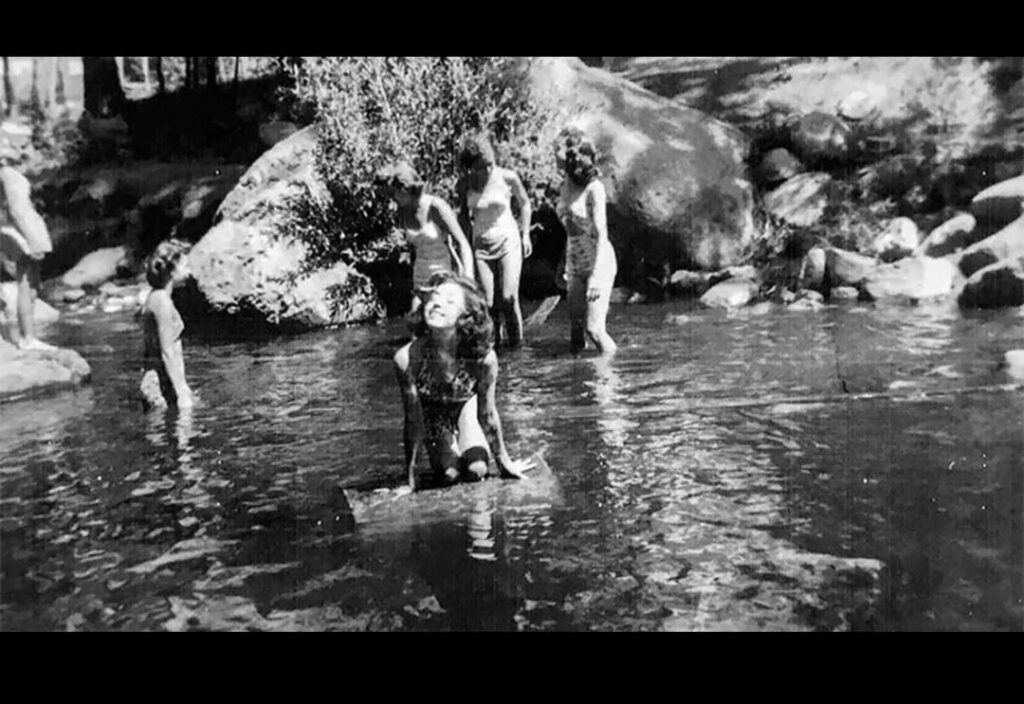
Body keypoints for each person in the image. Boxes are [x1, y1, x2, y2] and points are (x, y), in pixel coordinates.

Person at [393, 271, 535, 491]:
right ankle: (444, 446)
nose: (437, 304)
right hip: (433, 415)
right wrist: (410, 479)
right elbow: (413, 421)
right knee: (448, 475)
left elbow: (488, 414)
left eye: (450, 301)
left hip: (465, 406)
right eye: (435, 297)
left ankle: (468, 440)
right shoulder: (407, 359)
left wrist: (504, 463)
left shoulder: (483, 359)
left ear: (465, 315)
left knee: (476, 470)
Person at [456, 134, 532, 348]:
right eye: (482, 167)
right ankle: (495, 347)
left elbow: (525, 204)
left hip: (508, 241)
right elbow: (463, 217)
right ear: (471, 167)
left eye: (490, 165)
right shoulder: (465, 185)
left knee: (508, 298)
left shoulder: (508, 177)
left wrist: (525, 233)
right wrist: (466, 247)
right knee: (488, 304)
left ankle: (517, 348)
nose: (488, 171)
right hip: (481, 246)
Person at [375, 161, 474, 314]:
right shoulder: (403, 211)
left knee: (442, 324)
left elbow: (462, 243)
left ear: (406, 189)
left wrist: (467, 281)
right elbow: (414, 248)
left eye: (395, 192)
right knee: (415, 324)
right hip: (420, 275)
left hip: (443, 275)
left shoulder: (436, 207)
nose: (393, 197)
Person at [554, 128, 618, 355]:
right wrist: (564, 260)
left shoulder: (594, 189)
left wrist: (594, 277)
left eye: (557, 151)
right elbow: (571, 229)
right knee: (576, 331)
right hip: (575, 261)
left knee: (594, 330)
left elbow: (601, 234)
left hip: (597, 263)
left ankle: (610, 376)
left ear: (572, 157)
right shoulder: (566, 185)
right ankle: (578, 382)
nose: (554, 155)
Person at [0, 163, 56, 351]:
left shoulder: (8, 173)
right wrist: (31, 240)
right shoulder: (7, 174)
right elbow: (16, 209)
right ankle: (28, 338)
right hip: (21, 233)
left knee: (32, 285)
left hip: (23, 230)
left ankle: (29, 336)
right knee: (26, 283)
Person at [139, 239, 194, 410]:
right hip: (161, 385)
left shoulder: (157, 297)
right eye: (185, 266)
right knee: (181, 428)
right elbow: (167, 351)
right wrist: (181, 390)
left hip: (162, 381)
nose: (190, 271)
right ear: (172, 271)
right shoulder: (161, 301)